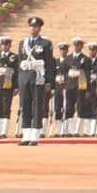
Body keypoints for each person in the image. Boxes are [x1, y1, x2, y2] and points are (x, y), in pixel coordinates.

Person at [16, 16, 55, 145]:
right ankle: (26, 135)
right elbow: (19, 61)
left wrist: (49, 82)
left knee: (37, 106)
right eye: (31, 26)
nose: (33, 28)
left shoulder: (46, 44)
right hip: (25, 77)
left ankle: (35, 136)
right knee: (25, 106)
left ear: (39, 28)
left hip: (38, 76)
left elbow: (49, 64)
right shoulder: (23, 43)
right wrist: (19, 79)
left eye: (36, 26)